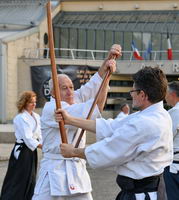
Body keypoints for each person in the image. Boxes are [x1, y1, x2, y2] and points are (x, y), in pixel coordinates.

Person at [57, 66, 173, 200]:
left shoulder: (145, 123)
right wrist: (70, 120)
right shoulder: (158, 114)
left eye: (133, 90)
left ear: (142, 94)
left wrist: (73, 152)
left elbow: (109, 149)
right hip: (145, 189)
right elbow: (111, 126)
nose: (131, 94)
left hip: (141, 194)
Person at [32, 44, 121, 200]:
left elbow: (93, 86)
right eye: (64, 88)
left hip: (75, 167)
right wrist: (108, 79)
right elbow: (97, 107)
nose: (70, 91)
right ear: (53, 93)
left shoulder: (73, 98)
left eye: (72, 87)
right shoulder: (53, 107)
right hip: (54, 168)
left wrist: (107, 63)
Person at [0, 91, 42, 200]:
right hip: (22, 150)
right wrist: (41, 145)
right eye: (31, 102)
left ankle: (28, 197)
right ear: (24, 103)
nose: (34, 104)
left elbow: (39, 133)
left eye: (35, 102)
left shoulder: (36, 116)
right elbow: (27, 137)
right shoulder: (20, 118)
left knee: (31, 175)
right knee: (19, 176)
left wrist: (44, 142)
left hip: (31, 151)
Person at [163, 81, 179, 200]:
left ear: (173, 94)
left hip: (174, 166)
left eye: (166, 93)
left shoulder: (174, 112)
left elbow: (165, 140)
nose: (165, 96)